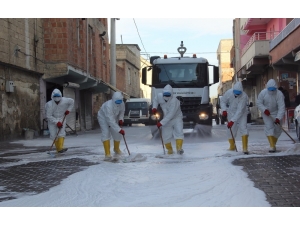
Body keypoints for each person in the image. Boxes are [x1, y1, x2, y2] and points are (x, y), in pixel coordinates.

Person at [151, 84, 184, 155]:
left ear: (171, 94)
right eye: (165, 95)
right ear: (163, 93)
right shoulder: (159, 96)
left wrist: (161, 123)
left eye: (168, 95)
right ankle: (170, 151)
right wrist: (154, 107)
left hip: (176, 118)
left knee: (179, 132)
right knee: (165, 136)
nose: (166, 96)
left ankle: (179, 149)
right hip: (166, 119)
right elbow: (155, 100)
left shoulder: (174, 101)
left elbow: (170, 115)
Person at [220, 81, 249, 154]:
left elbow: (240, 110)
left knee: (243, 128)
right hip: (231, 112)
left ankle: (245, 148)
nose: (236, 95)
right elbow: (223, 101)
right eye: (235, 93)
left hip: (242, 114)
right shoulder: (229, 93)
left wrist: (232, 121)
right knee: (231, 130)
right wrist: (224, 110)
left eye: (238, 93)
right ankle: (232, 146)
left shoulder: (244, 96)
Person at [257, 79, 285, 153]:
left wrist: (278, 118)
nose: (272, 91)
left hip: (276, 112)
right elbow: (259, 103)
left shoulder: (279, 94)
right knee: (269, 127)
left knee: (278, 129)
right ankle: (272, 146)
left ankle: (273, 142)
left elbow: (281, 107)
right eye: (270, 89)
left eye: (273, 89)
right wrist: (264, 109)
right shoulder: (263, 93)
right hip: (267, 113)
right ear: (267, 88)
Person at [97, 91, 125, 161]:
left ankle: (116, 149)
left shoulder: (122, 103)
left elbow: (122, 111)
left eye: (120, 101)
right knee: (106, 133)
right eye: (117, 101)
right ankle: (107, 154)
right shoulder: (108, 106)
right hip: (103, 118)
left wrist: (120, 119)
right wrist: (119, 129)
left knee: (117, 134)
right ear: (113, 99)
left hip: (113, 117)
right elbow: (110, 121)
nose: (119, 102)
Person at [45, 88, 74, 153]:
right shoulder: (49, 105)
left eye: (58, 100)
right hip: (52, 120)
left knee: (61, 133)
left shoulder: (65, 100)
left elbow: (72, 102)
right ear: (52, 97)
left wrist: (68, 110)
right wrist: (56, 122)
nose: (57, 102)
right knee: (53, 135)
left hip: (61, 118)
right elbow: (48, 116)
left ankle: (60, 148)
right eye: (56, 100)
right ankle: (58, 148)